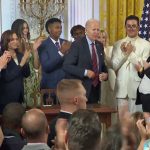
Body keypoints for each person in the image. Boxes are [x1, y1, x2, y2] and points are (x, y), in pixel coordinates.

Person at [111, 15, 150, 114]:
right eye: (128, 26)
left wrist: (130, 53)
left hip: (137, 89)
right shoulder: (117, 44)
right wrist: (125, 54)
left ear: (138, 27)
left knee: (137, 123)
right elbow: (114, 66)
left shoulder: (146, 44)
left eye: (134, 26)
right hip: (121, 88)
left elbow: (143, 66)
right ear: (125, 27)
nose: (131, 28)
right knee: (122, 124)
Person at [63, 19, 108, 104]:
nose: (96, 32)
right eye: (93, 29)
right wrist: (85, 72)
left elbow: (102, 65)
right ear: (86, 30)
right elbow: (66, 66)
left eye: (98, 30)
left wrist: (105, 74)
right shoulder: (77, 44)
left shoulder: (99, 45)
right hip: (80, 89)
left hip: (96, 89)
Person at [11, 19, 44, 107]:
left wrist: (35, 50)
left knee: (35, 106)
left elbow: (36, 66)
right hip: (22, 77)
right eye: (23, 28)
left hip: (33, 78)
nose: (26, 30)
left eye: (27, 28)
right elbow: (21, 60)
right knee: (24, 106)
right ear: (17, 29)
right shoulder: (15, 45)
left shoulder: (31, 43)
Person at [38, 18, 71, 104]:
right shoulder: (43, 45)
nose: (60, 30)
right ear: (49, 29)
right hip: (50, 89)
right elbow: (46, 66)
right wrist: (61, 52)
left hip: (66, 87)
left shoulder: (66, 43)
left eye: (60, 27)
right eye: (57, 27)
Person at [47, 79, 87, 147]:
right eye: (84, 95)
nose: (86, 99)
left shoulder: (51, 126)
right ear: (76, 100)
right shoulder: (83, 126)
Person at [0, 30, 30, 113]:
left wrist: (26, 61)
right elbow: (7, 77)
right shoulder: (2, 55)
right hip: (6, 98)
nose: (16, 41)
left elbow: (27, 74)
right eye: (12, 39)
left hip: (19, 96)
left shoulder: (20, 55)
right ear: (6, 41)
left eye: (17, 39)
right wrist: (21, 63)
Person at [97, 30, 116, 108]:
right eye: (99, 37)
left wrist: (104, 54)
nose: (101, 39)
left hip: (110, 77)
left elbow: (113, 65)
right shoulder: (94, 49)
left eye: (103, 37)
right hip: (99, 77)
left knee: (111, 101)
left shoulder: (111, 49)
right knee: (102, 100)